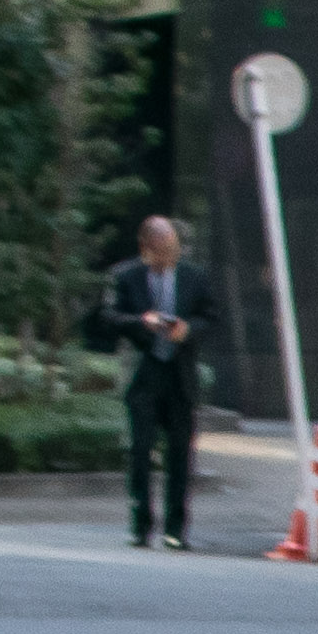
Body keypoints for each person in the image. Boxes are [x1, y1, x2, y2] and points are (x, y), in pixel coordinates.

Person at [101, 218, 221, 549]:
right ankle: (140, 525)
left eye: (174, 250)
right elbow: (109, 317)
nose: (170, 257)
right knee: (140, 449)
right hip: (144, 373)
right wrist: (143, 321)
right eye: (163, 251)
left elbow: (211, 318)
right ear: (145, 250)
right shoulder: (125, 277)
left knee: (180, 453)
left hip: (179, 375)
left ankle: (175, 528)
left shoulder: (194, 277)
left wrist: (188, 329)